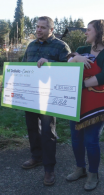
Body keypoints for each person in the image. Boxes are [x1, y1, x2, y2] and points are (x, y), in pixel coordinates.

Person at [66, 19, 104, 191]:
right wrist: (77, 58)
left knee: (91, 140)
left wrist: (80, 84)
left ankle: (93, 173)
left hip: (99, 104)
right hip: (77, 103)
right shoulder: (81, 50)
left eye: (89, 30)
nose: (86, 32)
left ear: (99, 32)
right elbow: (67, 67)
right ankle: (80, 168)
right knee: (76, 138)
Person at [21, 16, 71, 185]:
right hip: (30, 96)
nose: (38, 30)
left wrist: (51, 63)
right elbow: (23, 67)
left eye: (43, 27)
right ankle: (36, 157)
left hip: (50, 97)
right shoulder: (31, 45)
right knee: (32, 128)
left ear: (51, 30)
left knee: (48, 132)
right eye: (37, 27)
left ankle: (49, 169)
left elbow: (70, 70)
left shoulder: (60, 46)